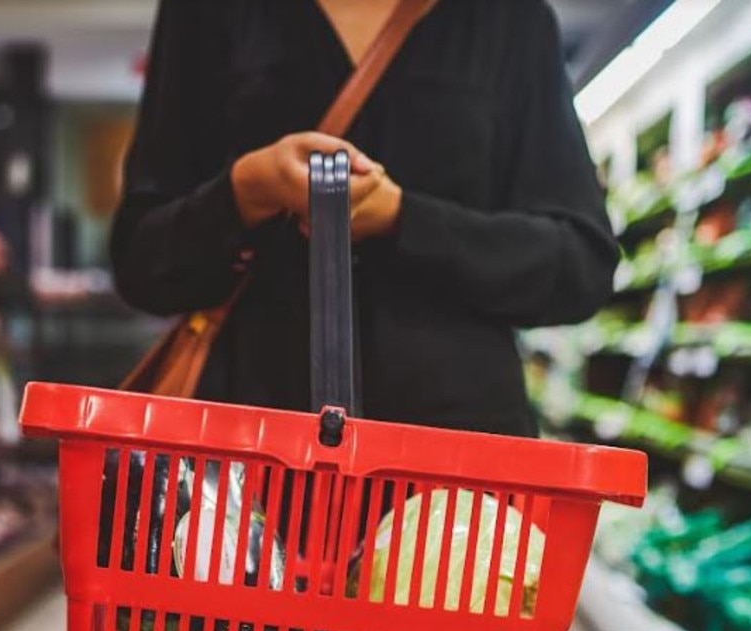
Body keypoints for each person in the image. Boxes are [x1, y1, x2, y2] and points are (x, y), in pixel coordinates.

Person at [110, 0, 619, 438]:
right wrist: (246, 190)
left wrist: (404, 219)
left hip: (454, 483)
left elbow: (580, 264)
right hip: (248, 464)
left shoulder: (507, 20)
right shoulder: (210, 12)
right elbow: (141, 259)